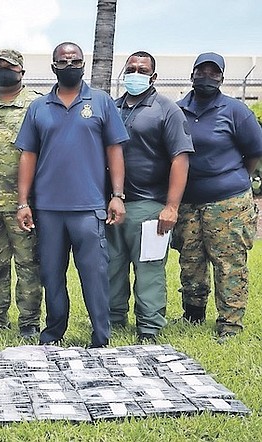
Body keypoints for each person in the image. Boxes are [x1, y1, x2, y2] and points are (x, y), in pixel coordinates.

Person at [15, 42, 128, 348]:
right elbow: (27, 156)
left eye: (75, 60)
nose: (69, 65)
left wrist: (117, 194)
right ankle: (53, 334)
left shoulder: (102, 102)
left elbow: (115, 150)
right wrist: (23, 202)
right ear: (53, 67)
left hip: (89, 208)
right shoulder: (38, 108)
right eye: (62, 62)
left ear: (84, 64)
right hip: (49, 210)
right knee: (51, 277)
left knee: (94, 276)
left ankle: (101, 337)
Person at [173, 52, 262, 343]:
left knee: (228, 262)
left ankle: (230, 323)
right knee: (191, 260)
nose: (207, 77)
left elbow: (254, 152)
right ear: (192, 74)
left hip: (228, 203)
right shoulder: (177, 110)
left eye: (214, 73)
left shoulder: (235, 110)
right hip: (187, 202)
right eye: (202, 71)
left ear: (222, 78)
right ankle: (193, 314)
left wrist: (232, 179)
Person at [107, 51, 193, 343]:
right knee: (112, 267)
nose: (135, 73)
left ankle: (149, 327)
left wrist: (171, 206)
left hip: (150, 205)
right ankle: (113, 320)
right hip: (114, 205)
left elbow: (180, 159)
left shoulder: (166, 110)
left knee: (149, 271)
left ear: (153, 76)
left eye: (142, 69)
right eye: (130, 68)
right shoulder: (113, 107)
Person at [0, 49, 43, 339]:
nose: (3, 71)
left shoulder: (38, 105)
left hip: (25, 203)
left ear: (22, 72)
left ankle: (29, 321)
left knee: (29, 265)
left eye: (9, 67)